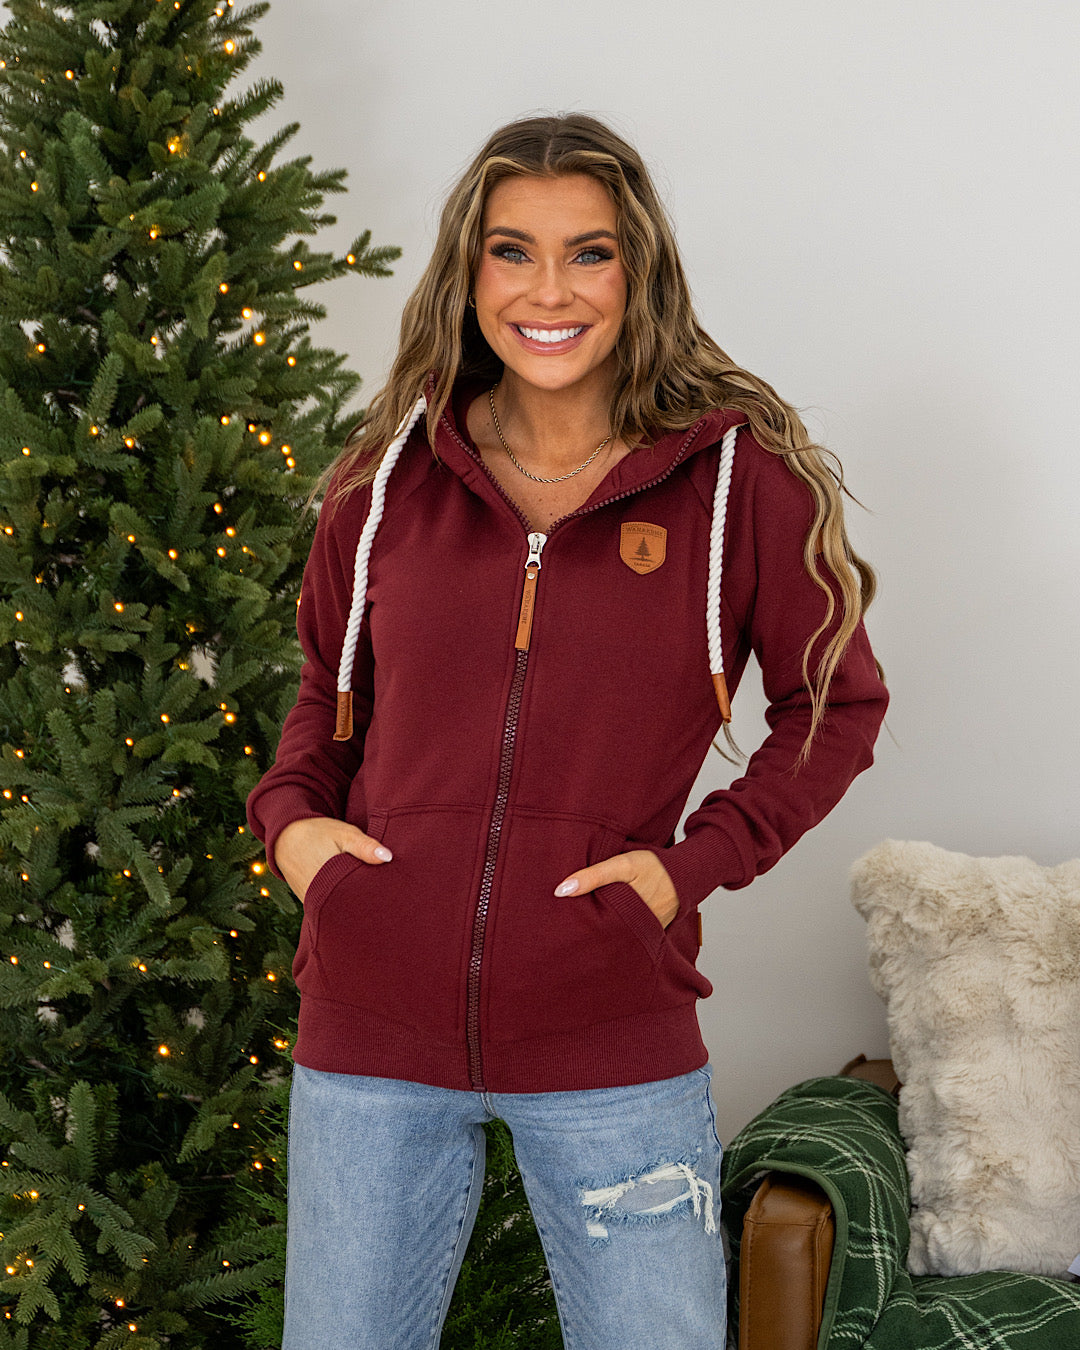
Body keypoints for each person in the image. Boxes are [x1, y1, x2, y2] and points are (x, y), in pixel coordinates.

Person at [246, 112, 889, 1350]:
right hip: (370, 1035)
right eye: (513, 252)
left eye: (589, 253)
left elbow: (836, 704)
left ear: (638, 272)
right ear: (468, 271)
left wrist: (690, 866)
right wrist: (294, 833)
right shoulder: (384, 482)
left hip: (612, 1036)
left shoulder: (734, 482)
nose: (550, 292)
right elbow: (327, 692)